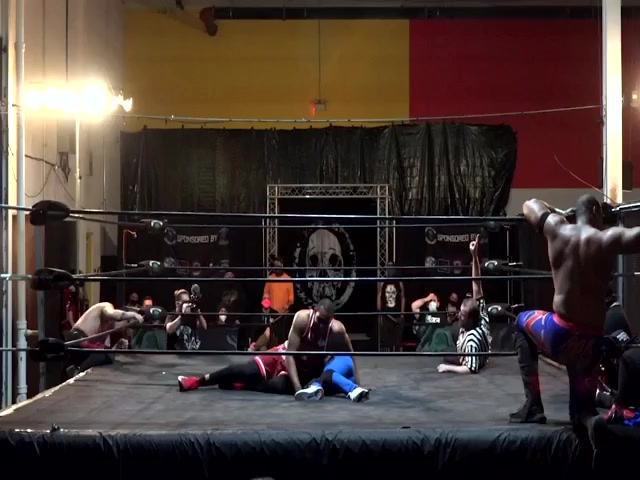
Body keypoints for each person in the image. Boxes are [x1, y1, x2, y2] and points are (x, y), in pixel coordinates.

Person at [512, 194, 636, 425]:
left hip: (560, 336)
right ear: (596, 212)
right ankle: (589, 419)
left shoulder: (557, 228)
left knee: (521, 320)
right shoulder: (606, 239)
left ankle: (533, 405)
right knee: (582, 414)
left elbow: (529, 204)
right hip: (590, 345)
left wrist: (557, 211)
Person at [179, 298, 370, 401]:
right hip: (283, 356)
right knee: (244, 370)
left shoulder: (336, 330)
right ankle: (196, 381)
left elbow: (350, 352)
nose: (321, 325)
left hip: (306, 370)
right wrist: (298, 389)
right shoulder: (302, 318)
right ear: (314, 311)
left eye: (325, 322)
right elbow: (290, 354)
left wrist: (358, 382)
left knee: (278, 387)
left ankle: (240, 386)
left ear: (332, 320)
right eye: (319, 320)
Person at [437, 234, 491, 374]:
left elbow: (471, 369)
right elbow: (476, 283)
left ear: (471, 318)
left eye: (463, 314)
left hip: (472, 350)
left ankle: (465, 357)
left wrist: (448, 368)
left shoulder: (472, 339)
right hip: (469, 342)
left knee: (449, 355)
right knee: (447, 349)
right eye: (460, 311)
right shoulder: (480, 314)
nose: (459, 315)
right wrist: (474, 256)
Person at [65, 302, 143, 377]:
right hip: (77, 339)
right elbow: (113, 313)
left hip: (82, 346)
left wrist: (115, 348)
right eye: (127, 322)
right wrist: (132, 315)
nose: (125, 327)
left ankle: (77, 370)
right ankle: (78, 372)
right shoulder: (106, 306)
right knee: (105, 355)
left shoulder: (108, 328)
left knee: (106, 355)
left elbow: (100, 349)